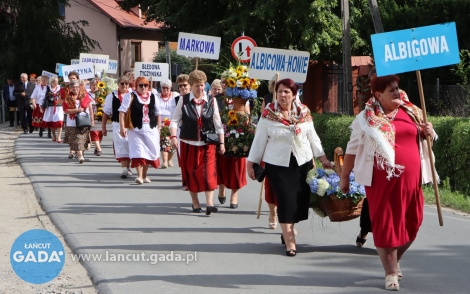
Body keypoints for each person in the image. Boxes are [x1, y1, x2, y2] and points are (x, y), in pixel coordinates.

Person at [340, 74, 437, 291]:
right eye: (391, 90)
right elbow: (352, 150)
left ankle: (394, 258)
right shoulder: (366, 119)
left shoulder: (412, 112)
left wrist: (428, 133)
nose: (397, 92)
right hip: (380, 182)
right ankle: (390, 271)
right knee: (385, 226)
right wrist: (345, 177)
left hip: (412, 181)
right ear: (378, 95)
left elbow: (424, 140)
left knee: (413, 222)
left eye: (397, 88)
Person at [247, 78, 331, 257]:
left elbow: (312, 137)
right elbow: (259, 141)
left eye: (287, 92)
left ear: (294, 95)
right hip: (277, 165)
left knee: (297, 202)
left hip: (302, 163)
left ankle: (287, 232)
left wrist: (323, 158)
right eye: (279, 91)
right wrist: (251, 163)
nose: (282, 95)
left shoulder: (304, 112)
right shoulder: (268, 114)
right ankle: (290, 241)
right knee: (285, 201)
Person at [170, 70, 225, 215]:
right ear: (191, 86)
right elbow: (174, 121)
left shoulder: (211, 100)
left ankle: (209, 204)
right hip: (189, 144)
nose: (200, 89)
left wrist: (222, 143)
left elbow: (218, 125)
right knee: (192, 174)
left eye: (202, 85)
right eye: (196, 86)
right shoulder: (183, 100)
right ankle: (195, 203)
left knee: (209, 174)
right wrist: (173, 137)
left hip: (207, 144)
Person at [119, 76, 161, 184]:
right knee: (138, 152)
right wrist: (122, 127)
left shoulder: (153, 96)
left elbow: (157, 114)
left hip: (150, 129)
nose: (143, 88)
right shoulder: (130, 96)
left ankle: (144, 175)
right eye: (141, 85)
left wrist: (159, 128)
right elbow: (122, 112)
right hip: (136, 130)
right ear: (136, 86)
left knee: (148, 153)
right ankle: (139, 176)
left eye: (145, 85)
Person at [214, 79, 248, 209]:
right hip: (221, 135)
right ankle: (221, 188)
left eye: (230, 84)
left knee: (236, 167)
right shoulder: (217, 99)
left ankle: (234, 195)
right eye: (224, 83)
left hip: (238, 135)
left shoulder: (242, 99)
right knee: (221, 164)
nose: (226, 86)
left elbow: (247, 116)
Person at [102, 75, 132, 178]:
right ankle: (124, 169)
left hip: (131, 125)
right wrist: (103, 127)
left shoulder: (133, 95)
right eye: (122, 83)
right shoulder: (112, 96)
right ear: (118, 84)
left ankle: (128, 167)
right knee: (121, 145)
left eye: (126, 84)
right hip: (117, 124)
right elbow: (106, 113)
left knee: (130, 145)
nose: (124, 86)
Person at [63, 80, 94, 163]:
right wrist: (77, 110)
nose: (75, 88)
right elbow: (66, 110)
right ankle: (80, 155)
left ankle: (81, 154)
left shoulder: (85, 95)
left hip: (83, 120)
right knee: (77, 138)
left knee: (82, 139)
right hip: (72, 121)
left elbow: (90, 109)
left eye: (77, 87)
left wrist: (92, 119)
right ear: (70, 88)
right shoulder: (68, 98)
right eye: (73, 87)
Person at [155, 79, 179, 168]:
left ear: (170, 88)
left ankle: (169, 159)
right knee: (164, 141)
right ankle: (164, 161)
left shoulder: (175, 96)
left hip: (173, 122)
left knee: (172, 142)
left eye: (167, 88)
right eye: (163, 88)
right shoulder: (157, 96)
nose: (165, 90)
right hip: (161, 122)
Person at [59, 71, 81, 157]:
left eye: (74, 78)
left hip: (80, 114)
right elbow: (59, 100)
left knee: (78, 133)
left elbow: (85, 100)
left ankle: (77, 151)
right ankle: (71, 151)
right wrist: (67, 102)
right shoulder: (64, 89)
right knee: (71, 133)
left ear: (77, 79)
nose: (72, 80)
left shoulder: (81, 88)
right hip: (69, 113)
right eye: (70, 78)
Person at [41, 76, 63, 142]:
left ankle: (59, 137)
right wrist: (41, 106)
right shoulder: (47, 88)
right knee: (51, 121)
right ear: (52, 82)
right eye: (55, 81)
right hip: (50, 107)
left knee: (59, 121)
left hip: (58, 107)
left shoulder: (60, 88)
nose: (56, 83)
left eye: (57, 81)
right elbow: (43, 97)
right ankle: (54, 135)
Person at [87, 79, 103, 156]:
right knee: (94, 131)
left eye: (96, 85)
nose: (95, 86)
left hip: (100, 114)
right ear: (90, 86)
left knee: (100, 132)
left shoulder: (102, 94)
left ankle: (96, 147)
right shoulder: (87, 94)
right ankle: (98, 147)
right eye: (93, 85)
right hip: (91, 114)